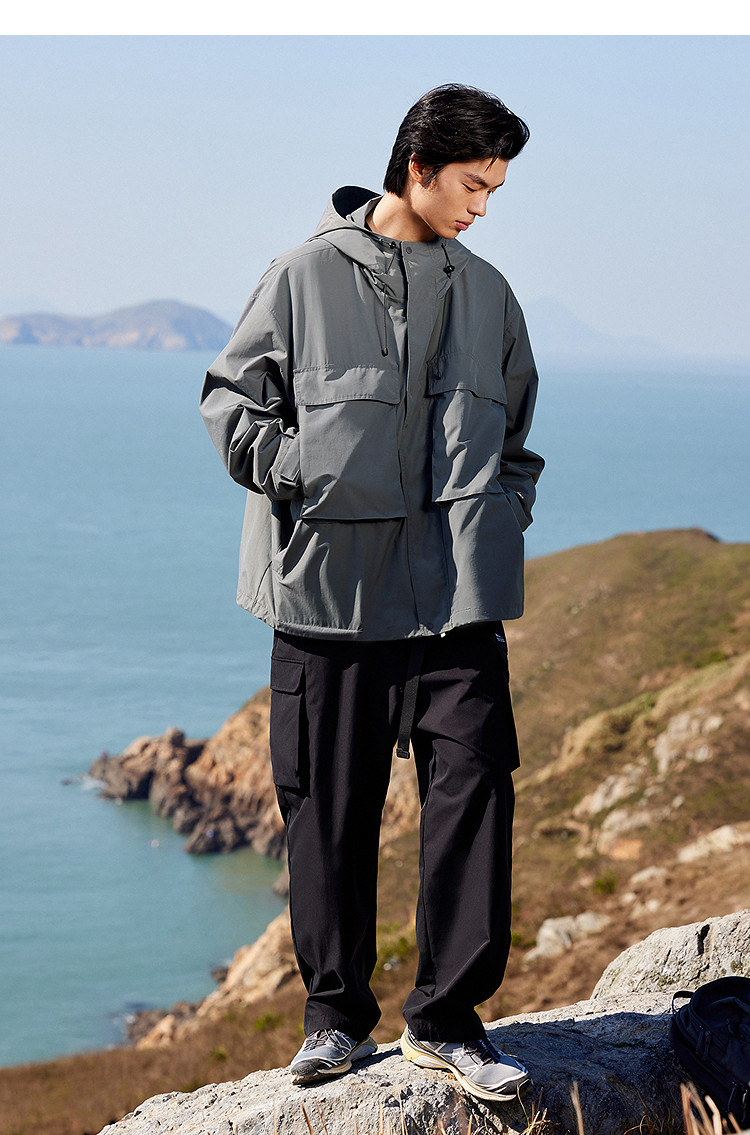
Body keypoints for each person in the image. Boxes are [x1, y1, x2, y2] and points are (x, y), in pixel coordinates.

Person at [200, 83, 544, 1105]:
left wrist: (505, 514)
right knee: (329, 812)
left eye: (496, 191)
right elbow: (231, 403)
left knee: (475, 787)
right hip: (328, 594)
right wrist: (303, 474)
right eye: (474, 185)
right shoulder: (301, 276)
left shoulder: (490, 296)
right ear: (418, 166)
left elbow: (517, 437)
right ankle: (335, 1018)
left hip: (456, 598)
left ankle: (448, 1019)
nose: (484, 208)